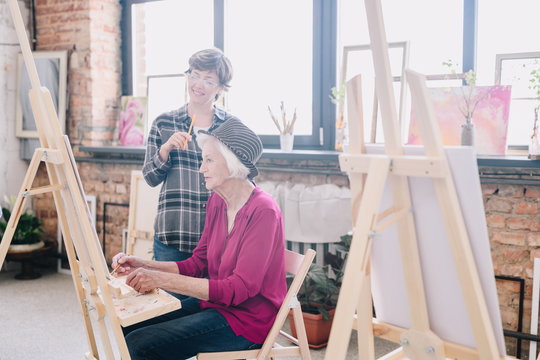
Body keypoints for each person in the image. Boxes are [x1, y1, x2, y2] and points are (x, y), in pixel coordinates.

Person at [112, 119, 287, 360]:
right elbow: (197, 264)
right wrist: (144, 265)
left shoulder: (264, 211)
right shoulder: (217, 201)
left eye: (209, 160)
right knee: (129, 324)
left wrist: (161, 279)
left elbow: (238, 289)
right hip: (216, 304)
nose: (201, 168)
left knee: (142, 344)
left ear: (233, 163)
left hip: (247, 320)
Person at [143, 48, 237, 265]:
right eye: (194, 75)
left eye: (208, 80)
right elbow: (150, 177)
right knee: (172, 300)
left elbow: (241, 182)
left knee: (208, 299)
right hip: (172, 234)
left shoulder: (230, 127)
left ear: (221, 88)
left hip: (216, 238)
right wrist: (165, 150)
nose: (198, 84)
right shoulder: (164, 123)